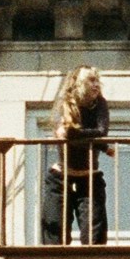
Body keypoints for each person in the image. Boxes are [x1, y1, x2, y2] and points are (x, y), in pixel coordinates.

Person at [39, 66, 112, 245]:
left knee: (94, 235)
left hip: (89, 178)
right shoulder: (65, 103)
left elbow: (101, 132)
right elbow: (63, 134)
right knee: (54, 234)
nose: (96, 84)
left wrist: (76, 134)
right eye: (91, 80)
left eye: (97, 80)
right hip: (60, 178)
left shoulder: (100, 104)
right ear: (78, 83)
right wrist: (100, 144)